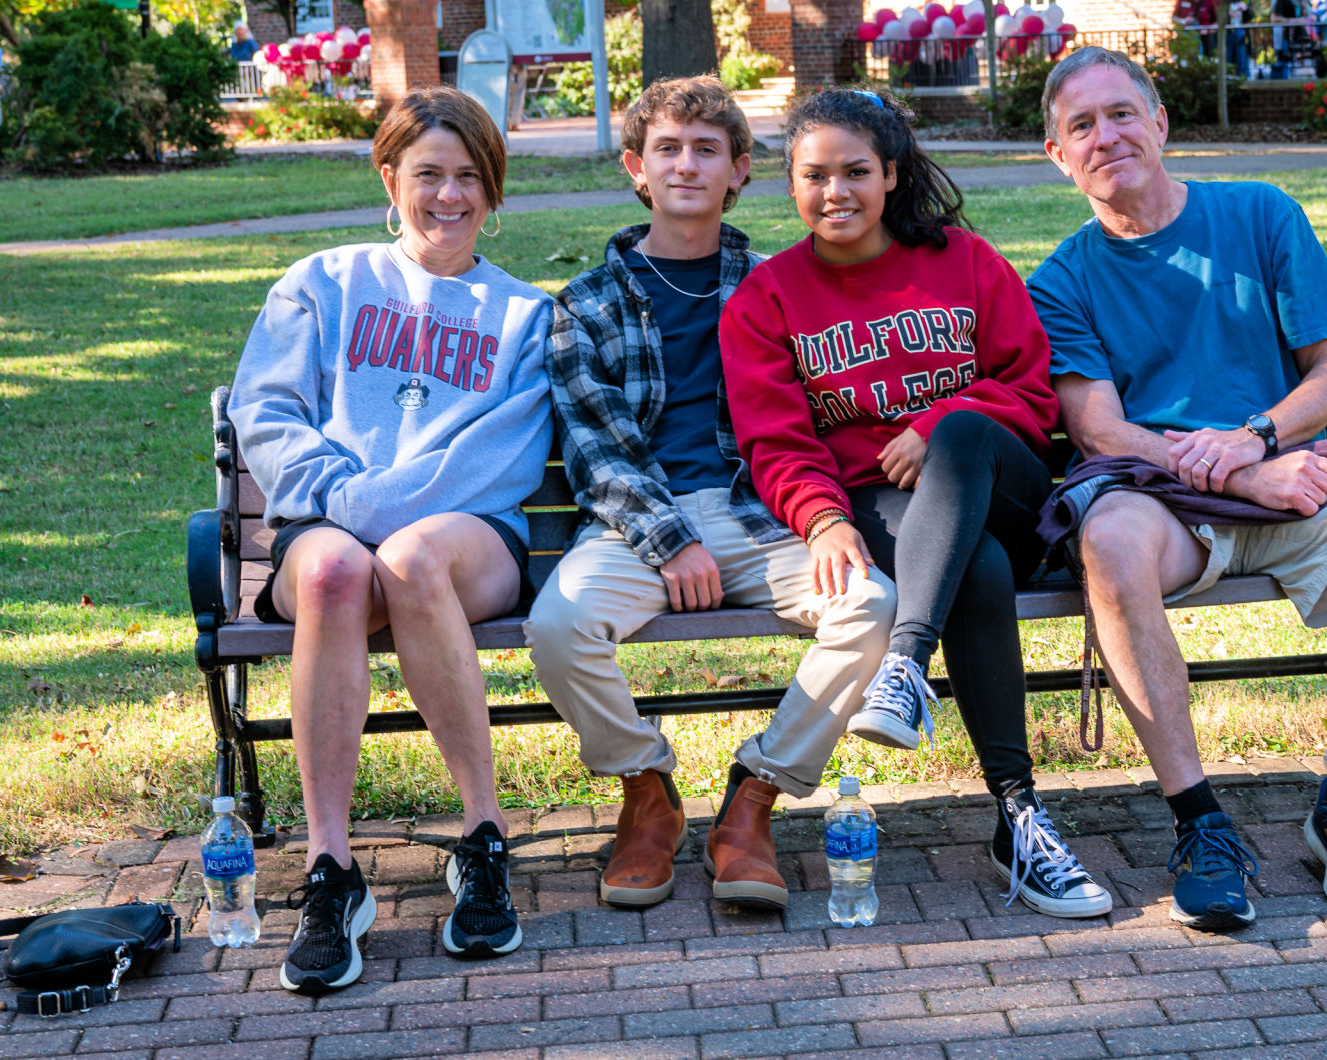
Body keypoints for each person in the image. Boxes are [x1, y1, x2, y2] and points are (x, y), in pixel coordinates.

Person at [1028, 48, 1327, 930]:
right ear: (1057, 155)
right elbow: (1100, 432)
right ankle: (1200, 826)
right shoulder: (1062, 280)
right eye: (1082, 126)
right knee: (1108, 539)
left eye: (1122, 113)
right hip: (1168, 504)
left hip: (1301, 475)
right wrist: (1240, 471)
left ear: (1160, 124)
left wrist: (1258, 438)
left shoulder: (1261, 213)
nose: (1106, 136)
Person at [719, 88, 1112, 920]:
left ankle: (903, 666)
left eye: (856, 171)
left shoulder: (965, 261)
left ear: (891, 174)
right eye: (814, 175)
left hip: (1003, 480)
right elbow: (776, 443)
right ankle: (1020, 819)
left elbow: (1033, 392)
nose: (836, 192)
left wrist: (935, 425)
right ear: (789, 185)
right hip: (882, 508)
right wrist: (823, 517)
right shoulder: (769, 298)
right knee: (980, 570)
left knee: (964, 436)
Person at [524, 76, 896, 913]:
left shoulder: (780, 286)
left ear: (738, 172)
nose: (686, 165)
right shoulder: (584, 304)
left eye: (707, 150)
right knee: (559, 622)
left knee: (872, 606)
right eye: (668, 149)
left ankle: (754, 796)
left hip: (761, 519)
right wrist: (671, 541)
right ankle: (645, 790)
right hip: (636, 529)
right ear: (636, 168)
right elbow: (599, 453)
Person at [229, 86, 551, 993]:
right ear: (389, 178)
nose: (448, 197)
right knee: (333, 570)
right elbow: (269, 413)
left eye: (468, 178)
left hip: (465, 537)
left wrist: (374, 516)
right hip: (323, 529)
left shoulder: (525, 316)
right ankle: (330, 872)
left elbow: (495, 463)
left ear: (492, 190)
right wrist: (340, 508)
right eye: (427, 175)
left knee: (408, 560)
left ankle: (483, 841)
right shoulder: (322, 283)